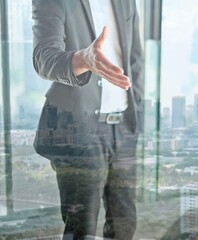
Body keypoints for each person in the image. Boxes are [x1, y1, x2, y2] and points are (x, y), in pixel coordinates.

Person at [32, 0, 144, 239]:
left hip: (123, 129)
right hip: (77, 129)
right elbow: (43, 58)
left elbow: (136, 61)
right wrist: (83, 60)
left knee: (125, 224)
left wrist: (137, 113)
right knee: (81, 228)